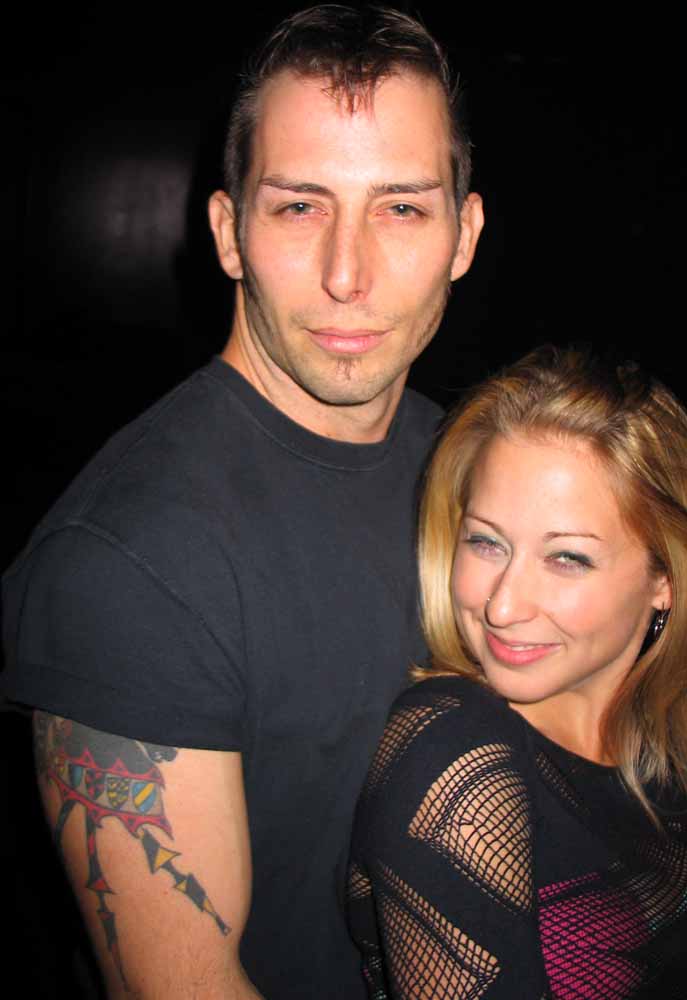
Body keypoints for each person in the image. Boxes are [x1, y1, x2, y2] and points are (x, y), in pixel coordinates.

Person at [1, 6, 483, 998]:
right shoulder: (130, 562)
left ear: (463, 236)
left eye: (401, 208)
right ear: (228, 233)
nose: (348, 275)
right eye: (300, 207)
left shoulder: (476, 468)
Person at [348, 345, 687, 999]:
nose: (502, 606)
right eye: (486, 542)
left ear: (666, 578)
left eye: (566, 558)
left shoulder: (683, 746)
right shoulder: (454, 750)